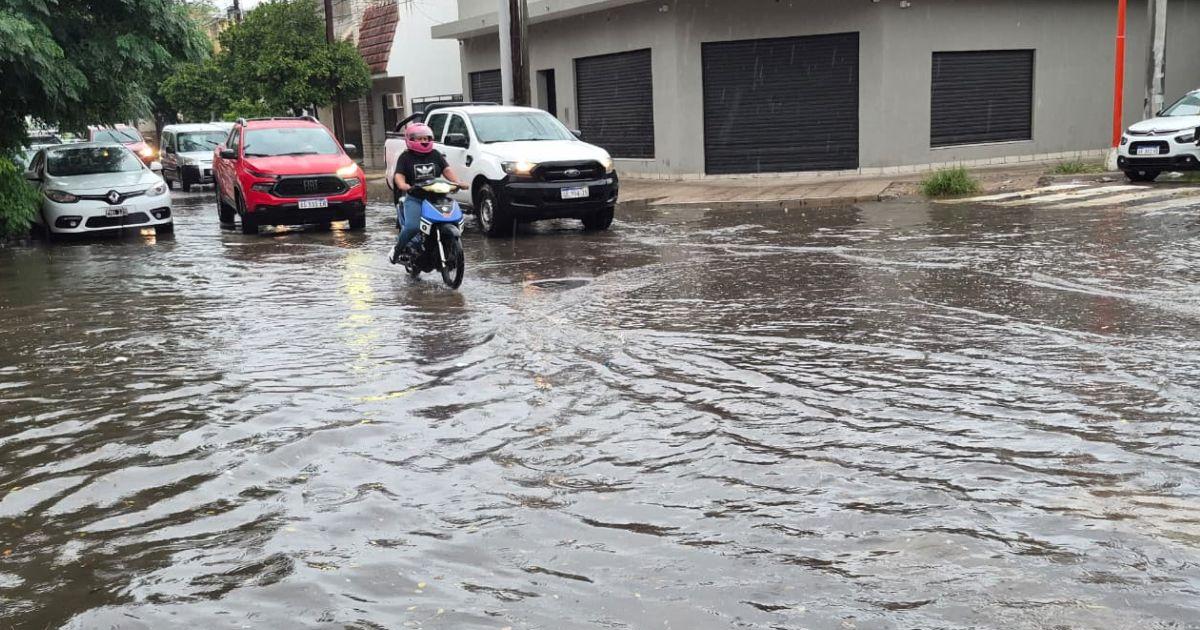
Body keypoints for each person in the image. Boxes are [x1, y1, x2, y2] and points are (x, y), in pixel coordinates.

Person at [389, 123, 465, 264]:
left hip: (437, 199)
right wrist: (403, 185)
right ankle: (396, 250)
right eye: (420, 138)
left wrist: (458, 182)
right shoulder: (405, 157)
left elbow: (447, 170)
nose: (424, 141)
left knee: (452, 220)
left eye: (426, 138)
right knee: (413, 227)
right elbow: (399, 175)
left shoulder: (435, 154)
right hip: (416, 199)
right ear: (410, 139)